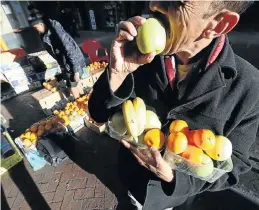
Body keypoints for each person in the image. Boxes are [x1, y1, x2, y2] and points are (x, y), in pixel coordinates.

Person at [89, 1, 258, 210]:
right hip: (130, 180)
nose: (154, 5)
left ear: (219, 24)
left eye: (176, 2)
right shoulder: (138, 56)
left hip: (173, 199)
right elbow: (98, 114)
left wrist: (173, 177)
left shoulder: (249, 87)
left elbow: (235, 165)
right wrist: (117, 72)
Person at [28, 11, 87, 99]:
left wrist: (76, 71)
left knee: (72, 86)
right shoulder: (46, 33)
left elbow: (71, 51)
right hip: (66, 62)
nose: (36, 30)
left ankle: (80, 103)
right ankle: (84, 100)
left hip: (72, 62)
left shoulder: (57, 33)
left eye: (36, 27)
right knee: (75, 83)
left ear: (41, 24)